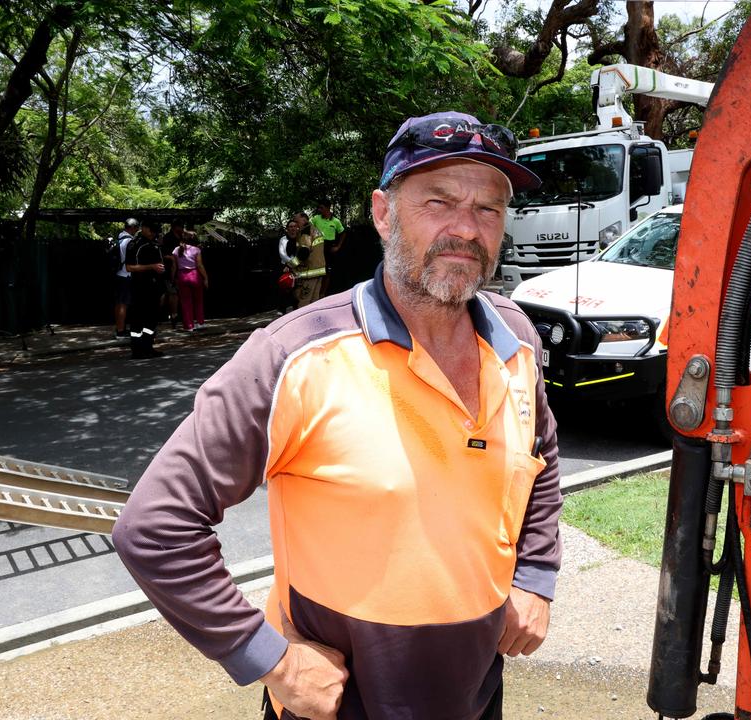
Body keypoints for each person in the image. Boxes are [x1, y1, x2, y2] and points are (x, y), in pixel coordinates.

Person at [113, 111, 560, 720]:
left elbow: (542, 456)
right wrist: (268, 657)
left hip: (477, 693)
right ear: (382, 213)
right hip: (345, 705)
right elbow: (153, 526)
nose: (466, 229)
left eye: (488, 209)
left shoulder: (516, 339)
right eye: (438, 201)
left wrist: (535, 573)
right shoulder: (295, 356)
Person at [125, 222, 165, 359]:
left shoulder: (155, 245)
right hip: (140, 287)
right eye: (151, 230)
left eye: (155, 231)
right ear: (144, 228)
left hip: (154, 287)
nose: (153, 233)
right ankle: (137, 350)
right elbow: (129, 267)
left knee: (152, 319)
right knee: (138, 319)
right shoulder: (135, 245)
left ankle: (148, 347)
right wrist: (151, 267)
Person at [173, 228, 208, 331]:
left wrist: (173, 278)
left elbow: (174, 267)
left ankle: (189, 326)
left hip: (182, 276)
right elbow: (200, 265)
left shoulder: (175, 250)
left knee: (185, 302)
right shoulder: (196, 250)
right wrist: (205, 278)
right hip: (195, 275)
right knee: (198, 300)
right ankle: (200, 323)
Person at [309, 203, 346, 294]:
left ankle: (322, 294)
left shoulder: (335, 221)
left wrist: (338, 246)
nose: (319, 210)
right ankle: (314, 293)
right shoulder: (316, 218)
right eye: (319, 208)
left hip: (329, 247)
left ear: (328, 208)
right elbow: (308, 226)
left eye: (321, 207)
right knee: (316, 271)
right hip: (317, 247)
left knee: (327, 272)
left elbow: (343, 233)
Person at [293, 211, 327, 307]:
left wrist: (291, 265)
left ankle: (301, 322)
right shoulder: (316, 230)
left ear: (304, 219)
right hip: (319, 270)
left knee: (304, 301)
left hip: (309, 271)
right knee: (314, 301)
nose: (295, 223)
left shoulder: (305, 232)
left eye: (297, 221)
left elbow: (304, 253)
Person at [113, 218, 138, 338]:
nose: (137, 230)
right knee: (123, 304)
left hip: (118, 273)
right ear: (132, 227)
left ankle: (119, 328)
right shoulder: (130, 241)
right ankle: (121, 331)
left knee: (118, 303)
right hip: (126, 274)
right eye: (136, 227)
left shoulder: (119, 238)